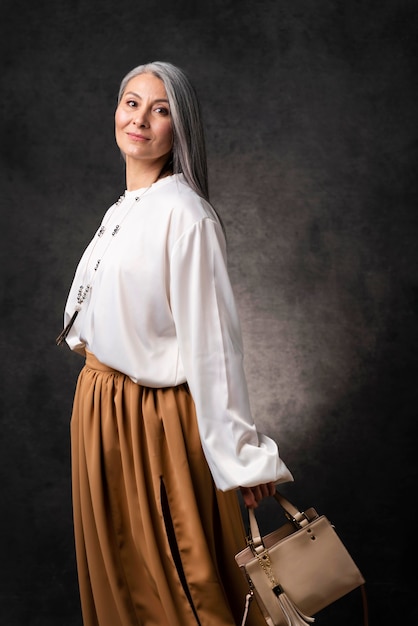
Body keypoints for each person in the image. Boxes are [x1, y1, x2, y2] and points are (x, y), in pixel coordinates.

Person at [57, 61, 293, 626]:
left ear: (179, 128)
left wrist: (241, 457)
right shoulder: (124, 209)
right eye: (132, 102)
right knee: (120, 580)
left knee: (178, 586)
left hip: (152, 422)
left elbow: (212, 346)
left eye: (161, 110)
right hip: (101, 408)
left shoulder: (185, 214)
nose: (140, 119)